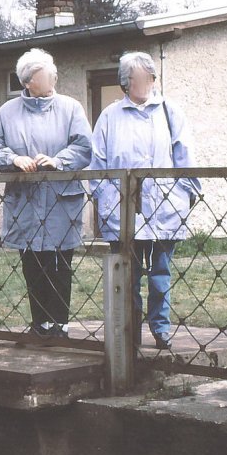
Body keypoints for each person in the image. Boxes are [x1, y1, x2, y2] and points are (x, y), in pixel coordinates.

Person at [90, 51, 200, 350]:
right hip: (123, 206)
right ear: (126, 83)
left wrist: (189, 192)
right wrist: (102, 196)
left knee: (161, 272)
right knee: (129, 272)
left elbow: (184, 154)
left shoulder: (169, 111)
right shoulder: (111, 116)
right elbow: (97, 162)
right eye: (137, 79)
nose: (145, 83)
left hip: (165, 204)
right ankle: (129, 330)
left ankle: (160, 329)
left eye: (149, 78)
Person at [0, 48, 92, 339]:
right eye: (47, 72)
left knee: (60, 262)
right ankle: (40, 324)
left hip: (60, 199)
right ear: (29, 81)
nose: (54, 75)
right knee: (32, 261)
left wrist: (58, 161)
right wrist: (13, 160)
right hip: (25, 200)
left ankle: (61, 325)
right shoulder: (7, 113)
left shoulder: (71, 108)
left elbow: (84, 147)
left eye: (53, 70)